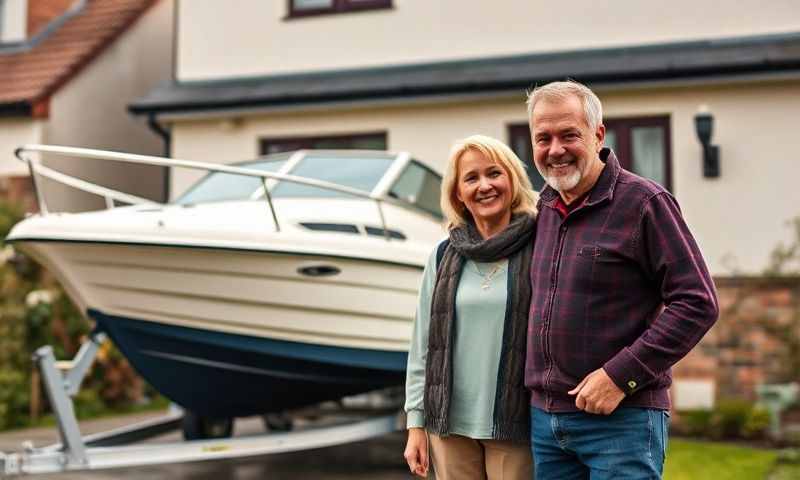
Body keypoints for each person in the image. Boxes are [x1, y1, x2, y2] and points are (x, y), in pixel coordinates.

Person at [523, 80, 719, 479]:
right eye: (543, 138)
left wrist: (620, 376)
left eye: (568, 135)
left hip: (622, 420)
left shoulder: (645, 203)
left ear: (598, 135)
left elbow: (697, 302)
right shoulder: (541, 209)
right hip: (546, 424)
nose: (555, 149)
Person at [403, 134, 538, 479]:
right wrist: (416, 424)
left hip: (515, 422)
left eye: (494, 173)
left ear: (512, 180)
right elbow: (422, 346)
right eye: (471, 178)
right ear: (458, 194)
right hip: (448, 425)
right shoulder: (442, 255)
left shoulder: (540, 245)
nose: (484, 186)